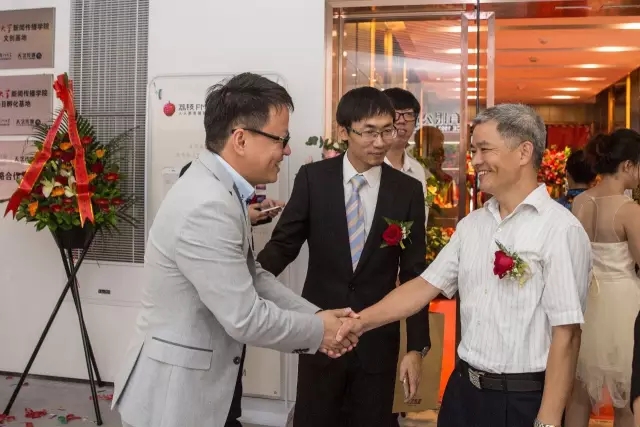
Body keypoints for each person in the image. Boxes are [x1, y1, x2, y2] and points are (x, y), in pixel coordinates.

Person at [111, 72, 359, 427]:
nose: (287, 150)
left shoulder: (221, 189)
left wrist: (317, 315)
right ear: (240, 139)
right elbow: (245, 318)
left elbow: (252, 276)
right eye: (281, 139)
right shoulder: (207, 204)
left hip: (204, 384)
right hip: (176, 398)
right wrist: (320, 331)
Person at [337, 103, 592, 427]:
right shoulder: (473, 225)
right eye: (473, 151)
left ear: (524, 152)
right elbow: (423, 286)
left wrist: (548, 421)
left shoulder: (560, 230)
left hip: (521, 400)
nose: (475, 160)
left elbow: (567, 335)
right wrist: (360, 322)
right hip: (463, 393)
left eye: (485, 149)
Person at [257, 86, 430, 427]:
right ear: (343, 132)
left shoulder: (407, 190)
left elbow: (414, 273)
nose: (380, 142)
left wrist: (416, 347)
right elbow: (283, 246)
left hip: (377, 340)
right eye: (369, 132)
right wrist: (245, 284)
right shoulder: (314, 179)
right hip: (322, 333)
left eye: (387, 131)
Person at [564, 129, 640, 427]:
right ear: (628, 166)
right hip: (623, 304)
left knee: (578, 393)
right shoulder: (629, 210)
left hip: (586, 302)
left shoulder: (580, 202)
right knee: (626, 395)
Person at [383, 87, 431, 426]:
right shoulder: (369, 164)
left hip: (406, 276)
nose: (402, 122)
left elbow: (418, 227)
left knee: (403, 349)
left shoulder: (417, 172)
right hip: (376, 278)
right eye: (395, 115)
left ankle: (397, 408)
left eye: (408, 116)